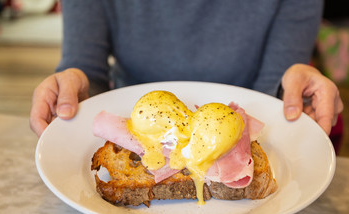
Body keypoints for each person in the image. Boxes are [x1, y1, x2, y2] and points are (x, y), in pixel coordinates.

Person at [29, 0, 343, 137]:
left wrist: (290, 90)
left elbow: (273, 92)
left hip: (242, 121)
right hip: (135, 120)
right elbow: (87, 74)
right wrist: (72, 83)